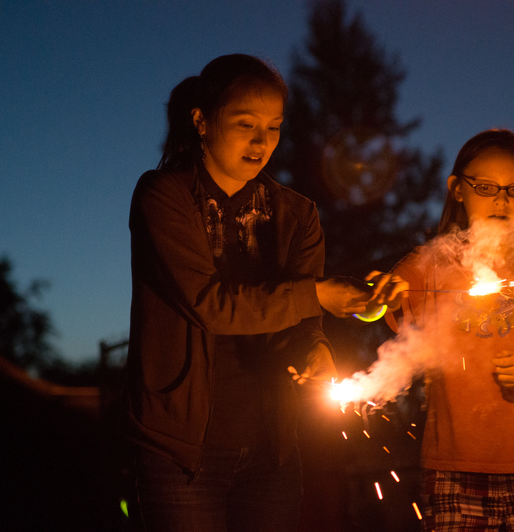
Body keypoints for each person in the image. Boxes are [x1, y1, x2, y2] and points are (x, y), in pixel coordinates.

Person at [122, 54, 375, 532]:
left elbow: (301, 321)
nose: (262, 142)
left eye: (274, 127)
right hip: (181, 451)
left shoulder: (296, 216)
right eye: (246, 124)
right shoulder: (164, 196)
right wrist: (317, 295)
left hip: (270, 450)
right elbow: (209, 304)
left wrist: (315, 346)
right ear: (201, 121)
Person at [368, 129, 514, 531]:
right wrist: (372, 298)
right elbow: (376, 307)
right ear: (458, 190)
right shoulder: (429, 265)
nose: (500, 200)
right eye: (486, 187)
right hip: (454, 475)